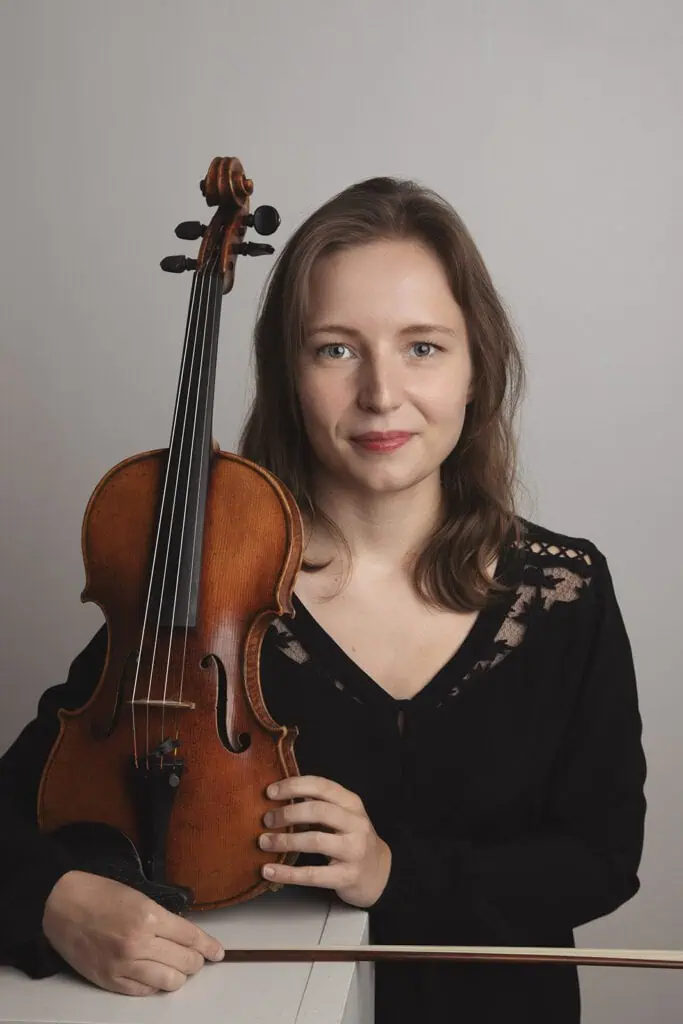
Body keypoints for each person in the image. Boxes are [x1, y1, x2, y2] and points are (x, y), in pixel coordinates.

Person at [0, 176, 647, 1023]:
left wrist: (390, 872)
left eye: (423, 346)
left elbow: (599, 858)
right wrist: (54, 902)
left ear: (475, 372)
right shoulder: (207, 593)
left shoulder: (565, 592)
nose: (381, 393)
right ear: (288, 376)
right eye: (335, 349)